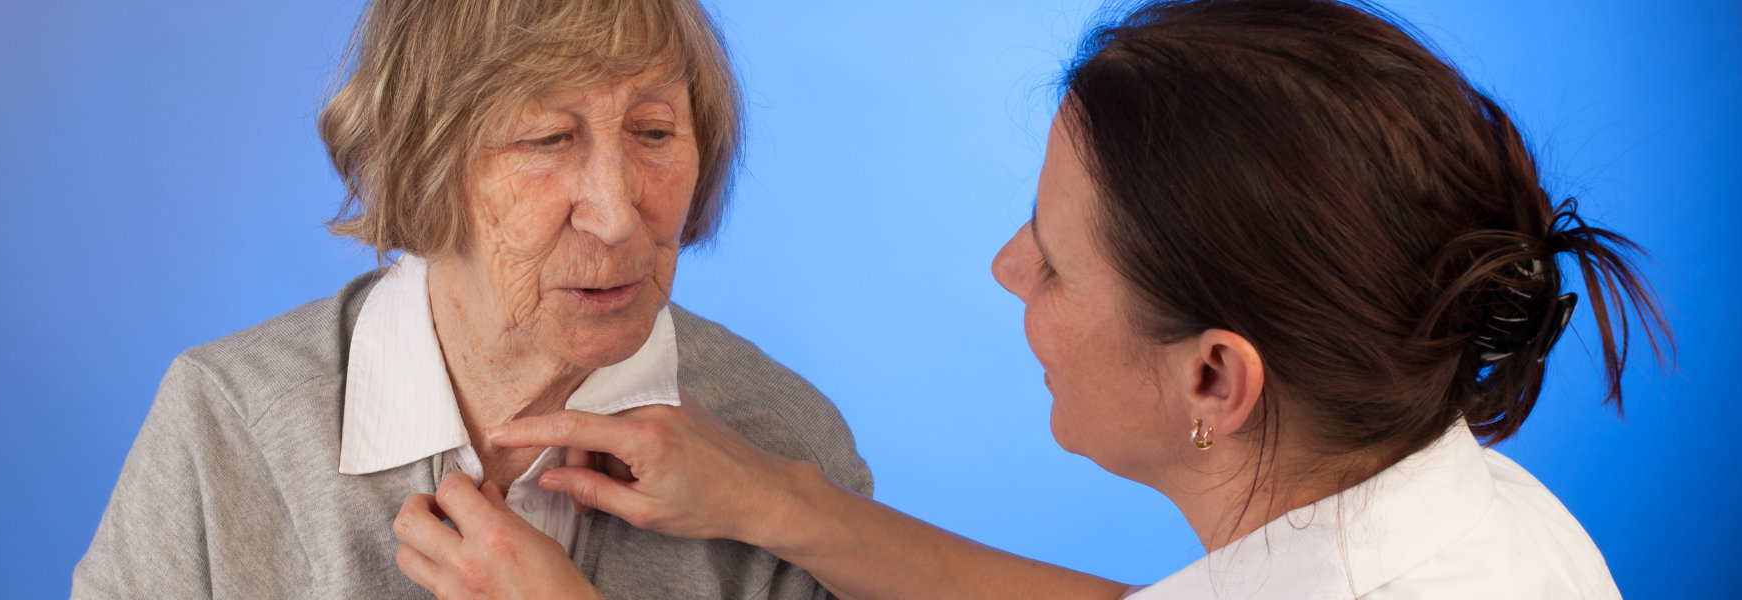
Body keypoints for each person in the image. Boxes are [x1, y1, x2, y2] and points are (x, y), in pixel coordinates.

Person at [390, 0, 1671, 598]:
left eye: (1054, 259)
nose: (1007, 266)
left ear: (1214, 379)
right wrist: (785, 503)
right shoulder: (1472, 514)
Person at [72, 0, 871, 598]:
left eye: (654, 133)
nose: (619, 211)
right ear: (422, 160)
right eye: (548, 140)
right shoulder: (227, 421)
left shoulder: (786, 446)